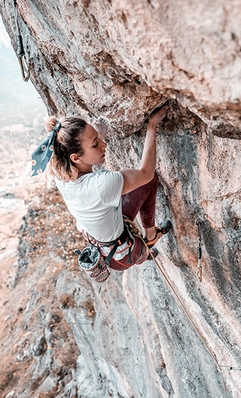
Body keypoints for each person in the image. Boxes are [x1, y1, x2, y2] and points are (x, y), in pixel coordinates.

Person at [31, 105, 171, 273]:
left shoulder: (62, 174)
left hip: (102, 241)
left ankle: (148, 242)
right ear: (76, 157)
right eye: (95, 143)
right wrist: (152, 125)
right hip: (122, 255)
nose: (104, 144)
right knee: (148, 181)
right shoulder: (101, 185)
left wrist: (97, 135)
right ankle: (148, 244)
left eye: (98, 139)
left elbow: (84, 158)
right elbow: (146, 173)